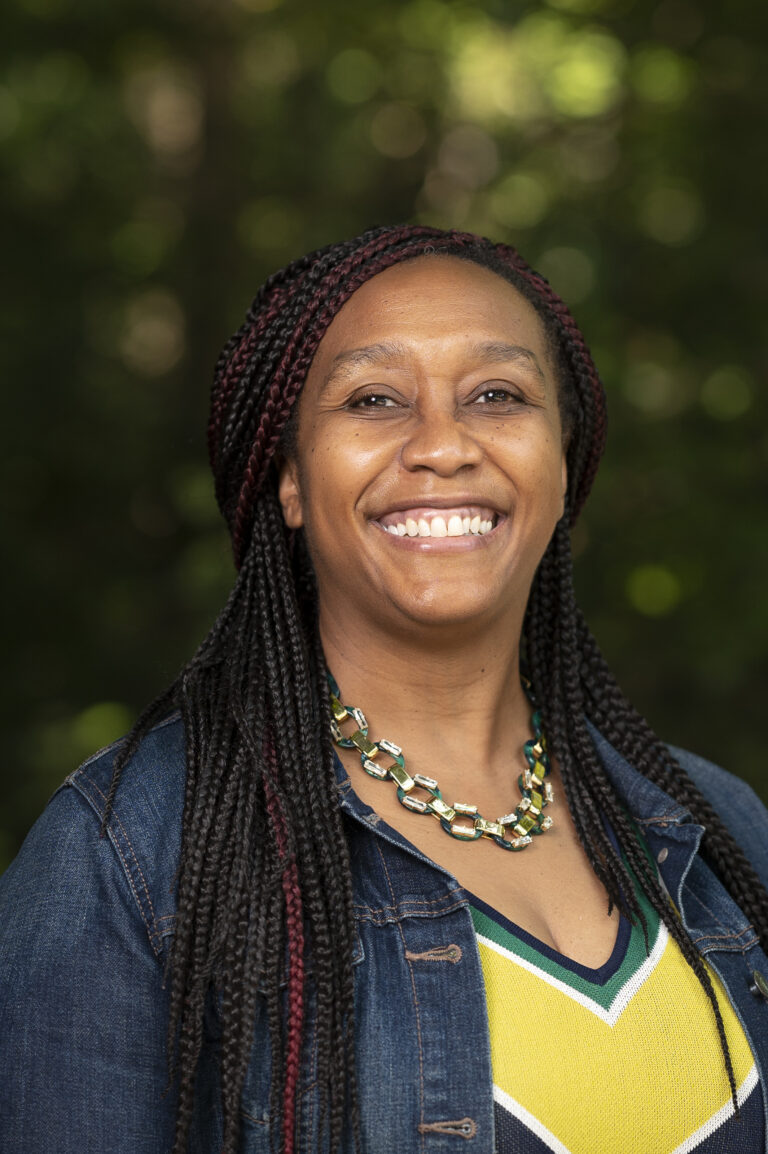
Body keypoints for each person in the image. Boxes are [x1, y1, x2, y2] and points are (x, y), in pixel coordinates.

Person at [1, 224, 767, 1154]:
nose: (443, 446)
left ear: (564, 465)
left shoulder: (720, 829)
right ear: (287, 477)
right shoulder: (129, 851)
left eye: (498, 394)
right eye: (373, 399)